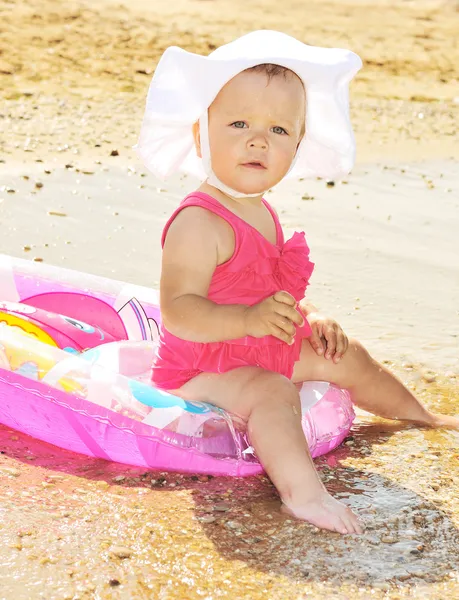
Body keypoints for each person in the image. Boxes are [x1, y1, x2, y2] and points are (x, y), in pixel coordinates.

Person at [134, 31, 459, 535]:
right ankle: (304, 497)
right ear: (201, 135)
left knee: (344, 354)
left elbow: (263, 295)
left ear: (297, 147)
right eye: (238, 123)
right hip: (199, 368)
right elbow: (178, 310)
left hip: (252, 342)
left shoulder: (260, 210)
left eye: (279, 130)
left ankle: (422, 417)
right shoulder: (200, 222)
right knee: (271, 392)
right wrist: (246, 320)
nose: (258, 140)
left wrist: (310, 318)